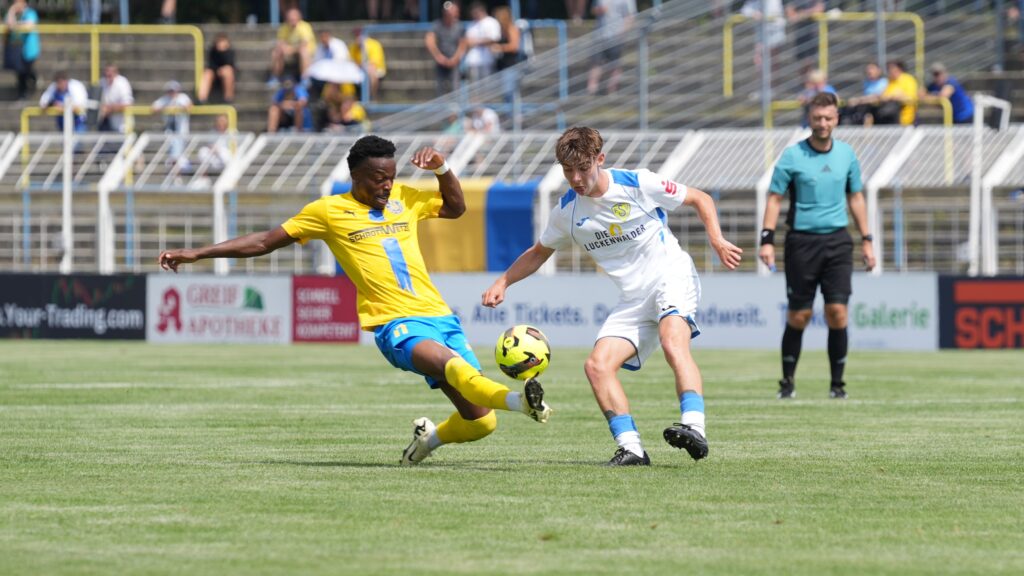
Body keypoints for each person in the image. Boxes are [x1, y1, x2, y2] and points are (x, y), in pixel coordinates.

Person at [157, 135, 552, 465]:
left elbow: (455, 208)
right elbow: (263, 241)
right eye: (379, 178)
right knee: (454, 368)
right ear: (356, 176)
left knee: (481, 423)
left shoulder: (405, 198)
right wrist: (196, 254)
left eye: (392, 178)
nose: (387, 186)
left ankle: (426, 441)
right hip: (396, 324)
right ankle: (523, 403)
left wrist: (442, 168)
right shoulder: (328, 212)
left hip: (440, 316)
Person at [482, 127, 743, 466]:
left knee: (672, 340)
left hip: (671, 276)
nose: (576, 178)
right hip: (633, 299)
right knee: (597, 366)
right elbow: (538, 252)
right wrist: (503, 281)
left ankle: (695, 427)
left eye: (583, 168)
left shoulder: (637, 184)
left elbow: (700, 198)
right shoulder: (567, 212)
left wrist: (717, 239)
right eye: (567, 171)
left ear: (600, 160)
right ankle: (632, 448)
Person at [758, 92, 876, 400]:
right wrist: (766, 240)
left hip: (838, 241)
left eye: (828, 118)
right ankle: (787, 383)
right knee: (800, 315)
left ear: (836, 119)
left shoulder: (847, 154)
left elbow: (856, 197)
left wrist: (867, 240)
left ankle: (837, 386)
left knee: (838, 311)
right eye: (817, 118)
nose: (823, 123)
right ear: (809, 119)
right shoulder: (793, 156)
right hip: (801, 242)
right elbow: (774, 198)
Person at [587, 0, 636, 95]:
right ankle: (591, 91)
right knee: (595, 63)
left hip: (616, 36)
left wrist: (622, 33)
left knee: (615, 65)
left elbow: (630, 16)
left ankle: (612, 92)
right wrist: (599, 10)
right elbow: (593, 10)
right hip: (599, 35)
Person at [424, 0, 467, 96]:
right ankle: (441, 109)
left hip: (454, 62)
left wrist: (455, 59)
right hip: (441, 62)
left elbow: (463, 44)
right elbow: (429, 40)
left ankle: (455, 110)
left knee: (455, 87)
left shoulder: (459, 27)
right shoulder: (437, 25)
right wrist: (438, 57)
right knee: (440, 88)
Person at [858, 60, 917, 126]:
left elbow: (911, 98)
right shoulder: (890, 81)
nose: (890, 71)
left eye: (892, 68)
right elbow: (883, 96)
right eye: (889, 69)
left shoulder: (908, 79)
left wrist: (895, 96)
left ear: (899, 69)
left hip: (904, 115)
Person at [270, 7, 315, 86]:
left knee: (303, 51)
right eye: (290, 19)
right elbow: (280, 43)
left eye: (294, 19)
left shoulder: (305, 27)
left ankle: (305, 78)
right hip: (290, 53)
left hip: (306, 53)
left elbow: (304, 44)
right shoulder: (284, 28)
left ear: (299, 18)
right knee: (276, 52)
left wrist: (291, 49)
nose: (292, 21)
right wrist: (285, 48)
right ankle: (275, 77)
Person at [5, 0, 39, 101]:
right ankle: (23, 91)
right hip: (18, 49)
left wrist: (16, 25)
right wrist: (11, 11)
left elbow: (28, 26)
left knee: (25, 70)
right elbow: (9, 25)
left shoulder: (30, 13)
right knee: (21, 71)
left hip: (29, 49)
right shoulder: (16, 14)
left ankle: (25, 91)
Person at [152, 80, 193, 166]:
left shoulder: (182, 98)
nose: (172, 93)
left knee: (179, 150)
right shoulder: (165, 99)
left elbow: (189, 107)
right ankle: (177, 170)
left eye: (173, 91)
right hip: (169, 129)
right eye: (170, 91)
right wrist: (165, 109)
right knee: (174, 151)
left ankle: (179, 169)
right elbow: (153, 108)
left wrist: (178, 108)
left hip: (181, 129)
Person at [741, 0, 785, 70]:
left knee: (773, 61)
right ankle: (762, 80)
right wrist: (754, 13)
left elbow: (775, 14)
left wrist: (762, 16)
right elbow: (745, 10)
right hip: (761, 33)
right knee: (758, 60)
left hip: (774, 31)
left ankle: (772, 80)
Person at [463, 2, 501, 82]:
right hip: (473, 61)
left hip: (487, 61)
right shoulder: (471, 25)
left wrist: (477, 41)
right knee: (473, 88)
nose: (474, 15)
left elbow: (495, 38)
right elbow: (467, 41)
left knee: (487, 87)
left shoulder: (491, 22)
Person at [198, 33, 236, 104]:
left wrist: (223, 52)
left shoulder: (230, 52)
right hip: (214, 73)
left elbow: (230, 64)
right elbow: (211, 65)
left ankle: (228, 98)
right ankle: (202, 99)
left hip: (225, 74)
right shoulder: (213, 51)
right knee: (207, 73)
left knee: (227, 71)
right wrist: (217, 70)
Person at [349, 27, 386, 99]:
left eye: (359, 34)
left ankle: (371, 97)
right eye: (356, 34)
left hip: (374, 70)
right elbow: (351, 62)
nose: (357, 36)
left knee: (371, 71)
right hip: (359, 71)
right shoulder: (353, 47)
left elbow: (374, 64)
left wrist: (363, 47)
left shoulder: (374, 44)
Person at [786, 0, 824, 69]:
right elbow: (791, 15)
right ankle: (804, 78)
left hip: (812, 33)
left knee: (810, 62)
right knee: (801, 63)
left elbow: (819, 9)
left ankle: (809, 78)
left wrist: (802, 14)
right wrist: (806, 14)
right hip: (800, 33)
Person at [97, 64, 133, 133]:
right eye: (106, 72)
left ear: (116, 73)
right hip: (104, 124)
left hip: (121, 124)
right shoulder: (102, 82)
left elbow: (127, 104)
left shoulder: (122, 83)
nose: (108, 74)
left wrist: (110, 109)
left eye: (110, 73)